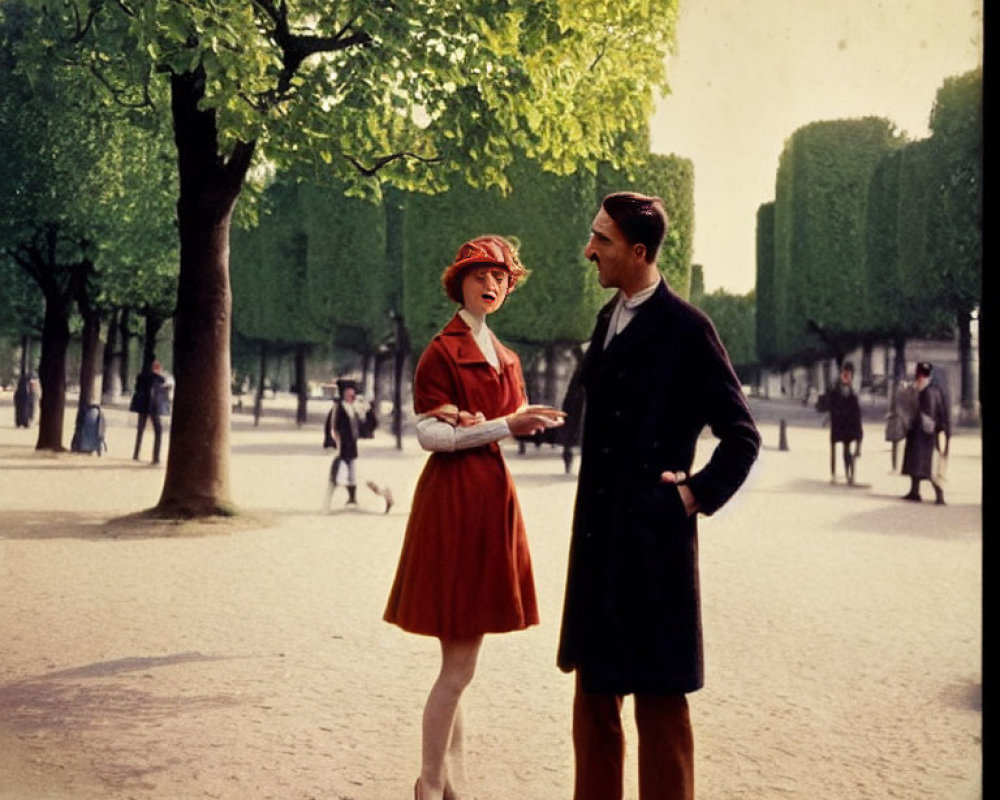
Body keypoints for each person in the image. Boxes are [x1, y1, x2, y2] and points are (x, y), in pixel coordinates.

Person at [556, 192, 761, 800]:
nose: (588, 249)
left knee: (660, 708)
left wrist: (691, 497)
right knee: (593, 704)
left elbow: (742, 437)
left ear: (639, 252)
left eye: (603, 241)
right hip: (598, 544)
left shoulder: (688, 330)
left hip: (653, 546)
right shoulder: (607, 318)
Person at [382, 235, 565, 800]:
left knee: (458, 662)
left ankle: (449, 780)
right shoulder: (441, 350)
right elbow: (430, 437)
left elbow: (490, 424)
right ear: (459, 281)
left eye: (502, 278)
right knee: (459, 666)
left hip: (489, 500)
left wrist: (504, 423)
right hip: (454, 502)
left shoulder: (506, 357)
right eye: (481, 274)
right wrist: (502, 426)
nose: (493, 284)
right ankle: (430, 783)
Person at [324, 379, 392, 512]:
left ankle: (381, 496)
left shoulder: (357, 408)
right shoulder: (338, 408)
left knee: (357, 477)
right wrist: (331, 444)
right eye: (348, 391)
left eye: (353, 391)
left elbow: (369, 427)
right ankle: (335, 503)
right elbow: (330, 427)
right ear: (343, 393)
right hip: (342, 448)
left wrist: (369, 412)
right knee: (338, 476)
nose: (352, 393)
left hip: (355, 450)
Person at [901, 361, 951, 505]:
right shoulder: (927, 389)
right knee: (914, 463)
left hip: (926, 435)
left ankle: (939, 494)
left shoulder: (929, 391)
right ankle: (914, 491)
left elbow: (930, 414)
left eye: (922, 374)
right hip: (918, 433)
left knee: (927, 466)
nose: (920, 376)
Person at [822, 360, 863, 485]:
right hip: (838, 422)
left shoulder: (853, 391)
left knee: (847, 449)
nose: (846, 376)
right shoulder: (835, 389)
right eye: (844, 373)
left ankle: (849, 474)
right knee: (834, 447)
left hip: (849, 424)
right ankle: (834, 473)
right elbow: (829, 403)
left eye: (848, 373)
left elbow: (856, 410)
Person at [131, 359, 167, 465]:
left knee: (140, 430)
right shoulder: (160, 379)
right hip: (154, 407)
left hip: (143, 406)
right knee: (158, 431)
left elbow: (137, 388)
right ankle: (156, 457)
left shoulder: (141, 377)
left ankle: (136, 453)